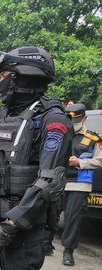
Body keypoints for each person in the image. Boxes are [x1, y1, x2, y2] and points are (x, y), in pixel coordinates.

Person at [0, 46, 74, 270]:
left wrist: (12, 224)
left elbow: (50, 182)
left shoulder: (53, 119)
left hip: (22, 230)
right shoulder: (6, 118)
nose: (0, 82)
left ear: (23, 76)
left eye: (3, 75)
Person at [61, 104, 102, 266]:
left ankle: (68, 251)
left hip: (79, 183)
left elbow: (100, 160)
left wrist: (80, 162)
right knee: (49, 214)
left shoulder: (94, 138)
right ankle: (45, 244)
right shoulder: (60, 135)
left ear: (84, 119)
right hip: (58, 181)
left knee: (72, 218)